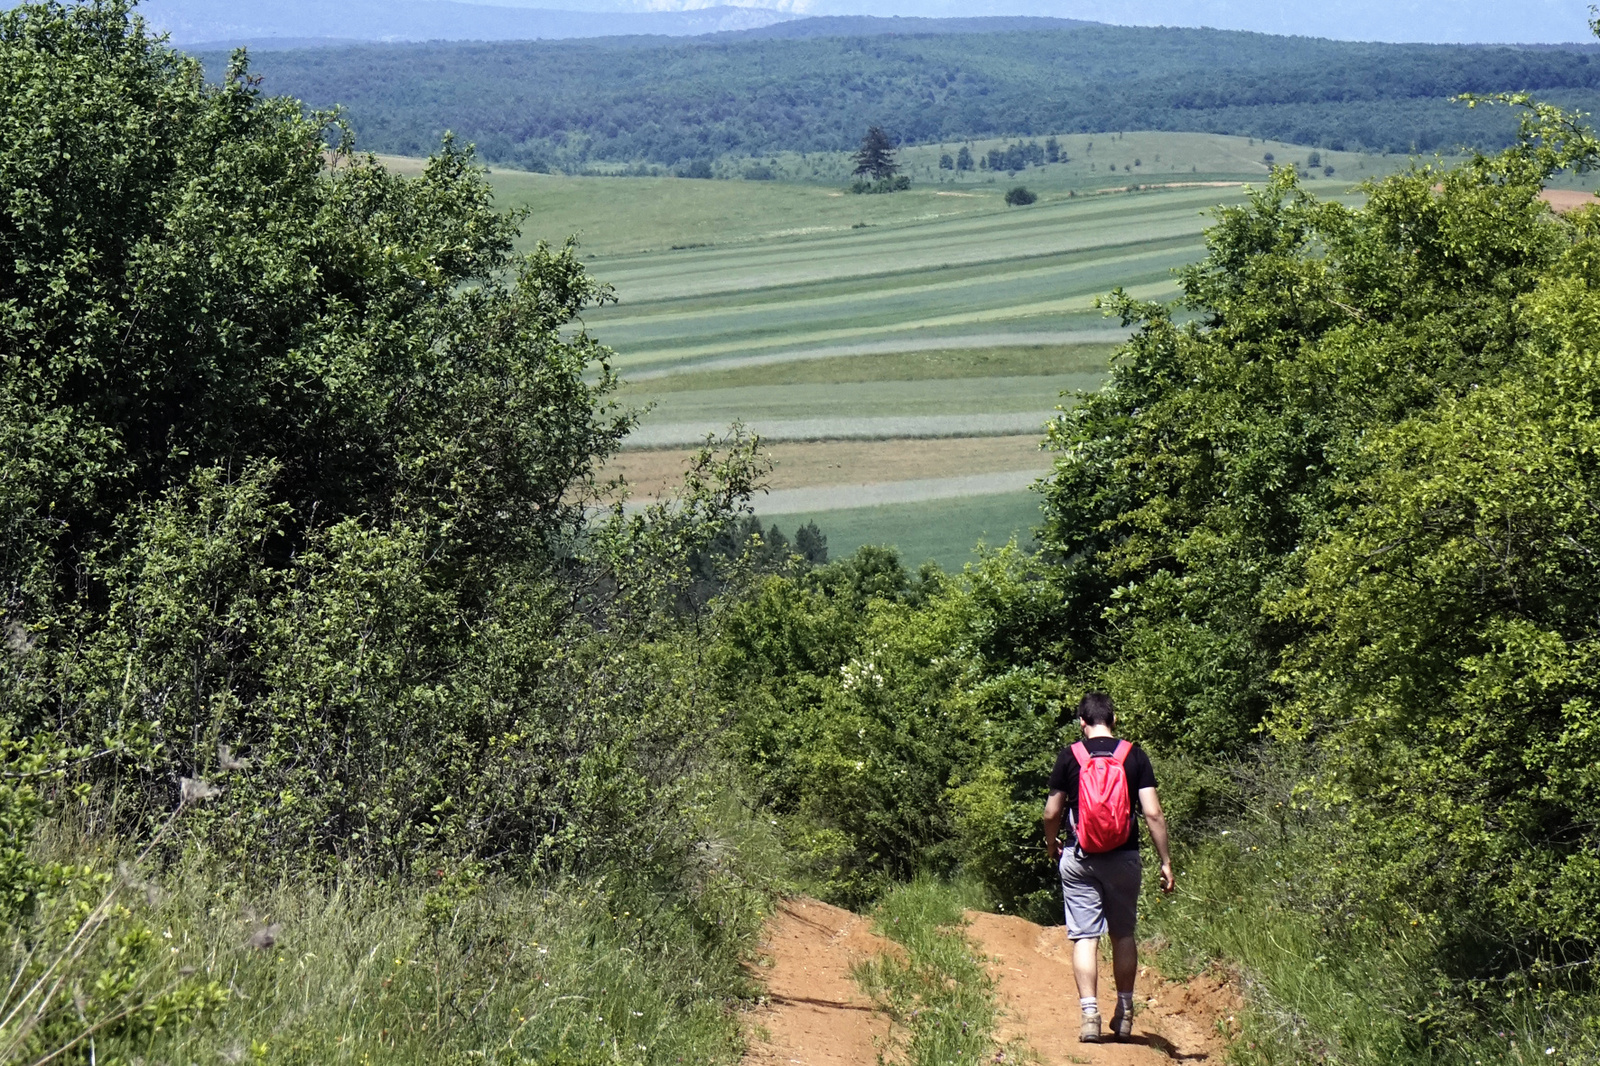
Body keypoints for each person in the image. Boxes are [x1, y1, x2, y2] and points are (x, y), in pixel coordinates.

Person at [1043, 691, 1174, 1043]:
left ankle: (1089, 1016)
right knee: (1123, 934)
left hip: (1080, 856)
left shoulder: (1069, 757)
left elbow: (1052, 812)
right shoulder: (1135, 757)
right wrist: (1165, 861)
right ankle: (1125, 1012)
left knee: (1086, 936)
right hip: (1124, 857)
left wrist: (1051, 842)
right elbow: (1153, 813)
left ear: (1081, 722)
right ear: (1113, 720)